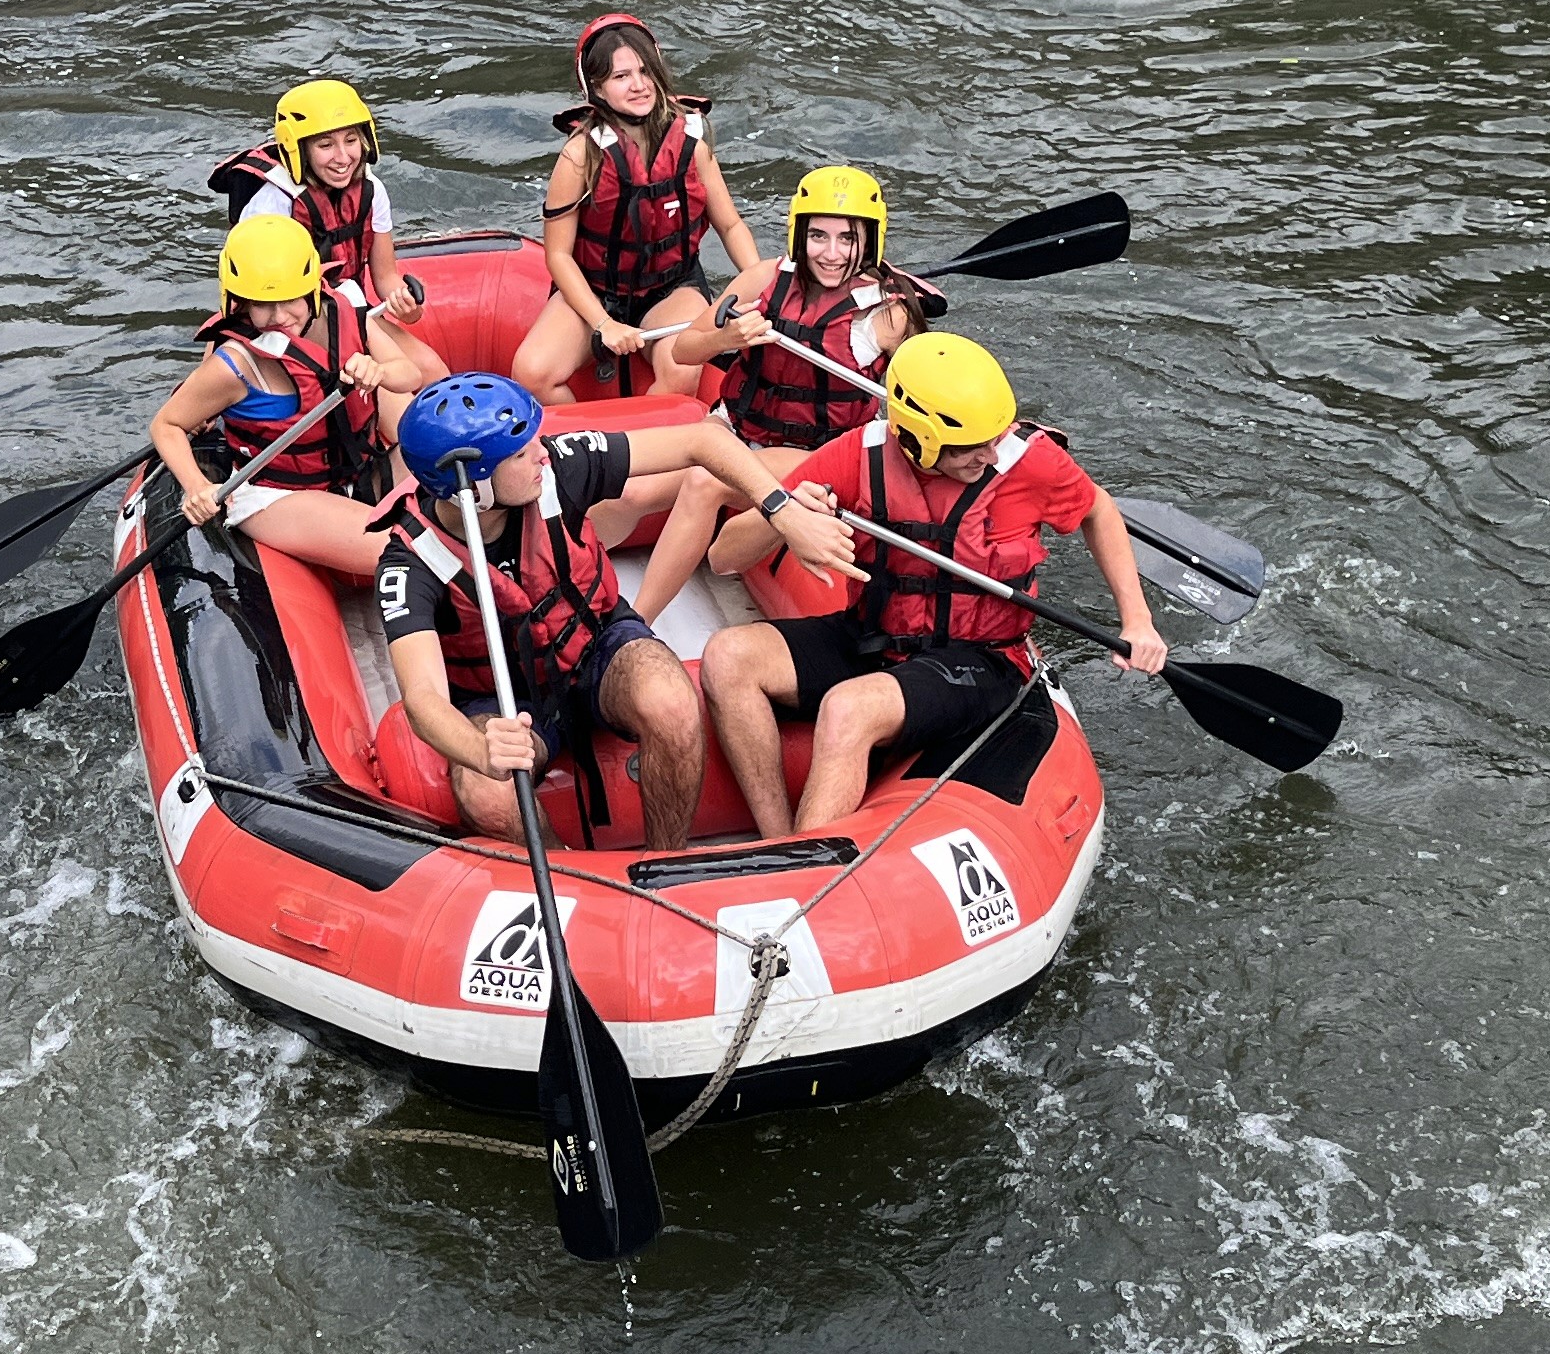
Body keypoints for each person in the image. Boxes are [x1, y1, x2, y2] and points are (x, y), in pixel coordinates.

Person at [699, 331, 1164, 838]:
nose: (989, 454)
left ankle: (801, 871)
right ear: (917, 438)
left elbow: (1097, 509)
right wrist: (785, 514)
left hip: (981, 660)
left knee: (848, 708)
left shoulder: (1026, 461)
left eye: (994, 437)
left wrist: (1136, 619)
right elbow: (724, 557)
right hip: (874, 637)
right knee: (728, 656)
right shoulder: (858, 454)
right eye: (971, 447)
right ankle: (778, 842)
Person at [376, 373, 855, 852]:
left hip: (597, 646)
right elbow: (423, 699)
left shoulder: (560, 466)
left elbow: (703, 439)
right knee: (487, 793)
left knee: (670, 698)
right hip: (501, 699)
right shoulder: (410, 564)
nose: (541, 454)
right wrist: (480, 749)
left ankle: (667, 861)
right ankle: (575, 888)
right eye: (521, 454)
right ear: (473, 486)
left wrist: (782, 509)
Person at [629, 163, 945, 623]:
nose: (832, 253)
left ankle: (633, 626)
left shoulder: (888, 315)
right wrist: (728, 338)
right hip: (736, 428)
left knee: (704, 481)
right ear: (799, 235)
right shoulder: (763, 279)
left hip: (817, 453)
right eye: (819, 236)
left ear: (871, 241)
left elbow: (930, 396)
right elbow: (684, 350)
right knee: (632, 497)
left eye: (848, 238)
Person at [511, 13, 765, 409]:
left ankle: (640, 452)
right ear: (595, 87)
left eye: (645, 71)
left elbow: (730, 225)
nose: (639, 85)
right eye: (621, 77)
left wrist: (757, 285)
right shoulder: (580, 156)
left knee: (681, 368)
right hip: (598, 290)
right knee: (532, 373)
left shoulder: (691, 142)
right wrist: (603, 323)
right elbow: (558, 256)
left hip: (671, 288)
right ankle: (584, 447)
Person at [143, 217, 403, 587]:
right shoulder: (232, 365)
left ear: (312, 288)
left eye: (290, 299)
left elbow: (411, 375)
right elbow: (165, 425)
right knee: (401, 551)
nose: (279, 317)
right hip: (277, 493)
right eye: (263, 304)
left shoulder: (341, 313)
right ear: (239, 301)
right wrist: (196, 485)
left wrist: (379, 370)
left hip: (355, 471)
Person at [209, 76, 448, 391]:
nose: (343, 157)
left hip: (350, 312)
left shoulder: (372, 191)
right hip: (292, 322)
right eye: (325, 145)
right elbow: (239, 301)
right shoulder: (272, 206)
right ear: (299, 149)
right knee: (385, 396)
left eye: (351, 140)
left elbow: (386, 278)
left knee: (431, 370)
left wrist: (409, 308)